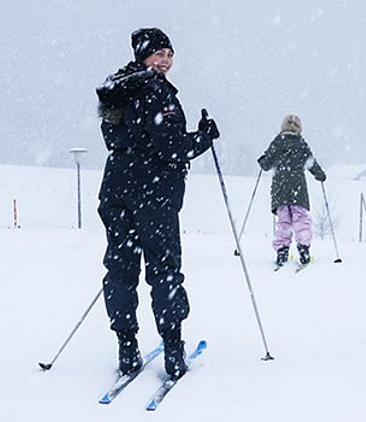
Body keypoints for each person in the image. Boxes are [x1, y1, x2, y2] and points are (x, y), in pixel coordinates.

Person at [94, 28, 220, 379]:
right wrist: (203, 138)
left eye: (169, 54)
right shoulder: (153, 90)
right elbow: (170, 147)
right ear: (142, 56)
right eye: (158, 54)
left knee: (121, 268)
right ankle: (174, 349)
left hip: (117, 188)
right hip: (153, 193)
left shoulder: (118, 89)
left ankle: (127, 347)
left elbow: (117, 138)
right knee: (163, 269)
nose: (165, 61)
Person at [257, 115, 326, 267]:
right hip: (298, 187)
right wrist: (319, 174)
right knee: (300, 219)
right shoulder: (301, 143)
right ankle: (303, 248)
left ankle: (282, 250)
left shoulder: (278, 141)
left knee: (284, 220)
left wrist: (262, 160)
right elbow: (311, 162)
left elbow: (266, 164)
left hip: (280, 187)